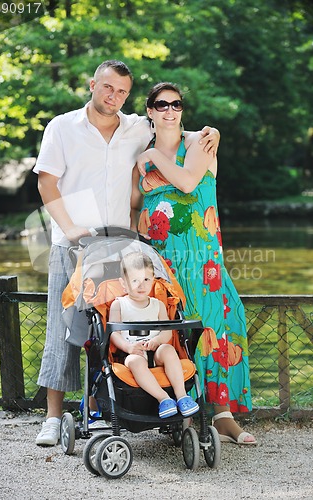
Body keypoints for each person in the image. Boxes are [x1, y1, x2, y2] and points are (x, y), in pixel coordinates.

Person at [33, 60, 220, 446]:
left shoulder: (136, 127)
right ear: (92, 85)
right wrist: (68, 228)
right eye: (107, 88)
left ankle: (125, 403)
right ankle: (52, 417)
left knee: (117, 326)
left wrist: (211, 132)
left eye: (121, 91)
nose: (113, 96)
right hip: (72, 245)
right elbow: (47, 182)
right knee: (64, 330)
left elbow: (171, 123)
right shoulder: (62, 127)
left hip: (120, 248)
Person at [131, 82, 257, 444]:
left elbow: (187, 183)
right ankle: (186, 412)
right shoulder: (140, 154)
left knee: (214, 327)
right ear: (150, 111)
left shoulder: (200, 142)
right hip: (162, 260)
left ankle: (222, 415)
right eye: (162, 104)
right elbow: (133, 205)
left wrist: (154, 158)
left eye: (176, 104)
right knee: (173, 334)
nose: (170, 110)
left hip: (202, 260)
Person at [109, 251, 199, 419]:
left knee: (168, 350)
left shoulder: (158, 305)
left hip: (156, 350)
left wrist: (157, 340)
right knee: (135, 361)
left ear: (153, 280)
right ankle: (164, 399)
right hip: (133, 351)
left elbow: (166, 332)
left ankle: (181, 396)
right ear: (123, 283)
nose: (141, 285)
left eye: (146, 280)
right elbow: (114, 334)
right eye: (134, 280)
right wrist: (128, 347)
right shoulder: (119, 305)